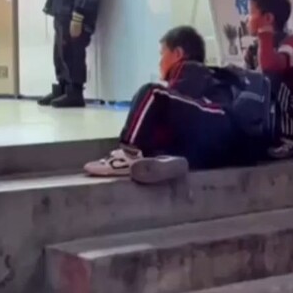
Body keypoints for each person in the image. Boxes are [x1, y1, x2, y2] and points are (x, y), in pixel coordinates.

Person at [83, 26, 239, 181]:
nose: (160, 62)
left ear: (178, 54)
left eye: (162, 54)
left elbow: (169, 111)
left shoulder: (190, 69)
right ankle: (168, 159)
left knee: (152, 93)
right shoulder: (206, 78)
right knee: (159, 126)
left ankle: (128, 154)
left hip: (218, 121)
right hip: (215, 146)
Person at [248, 0, 293, 159]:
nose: (248, 19)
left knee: (271, 80)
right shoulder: (258, 47)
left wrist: (264, 35)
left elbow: (271, 68)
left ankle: (288, 141)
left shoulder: (292, 44)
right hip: (279, 104)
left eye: (252, 13)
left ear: (268, 18)